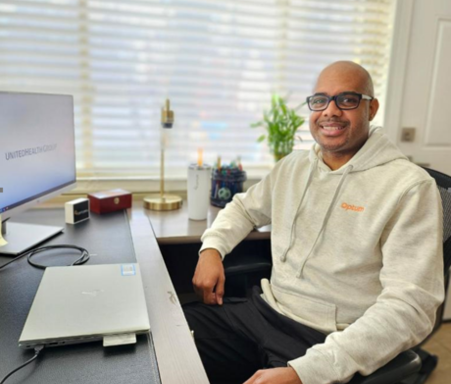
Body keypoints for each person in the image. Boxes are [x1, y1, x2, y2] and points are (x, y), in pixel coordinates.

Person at [183, 61, 444, 384]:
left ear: (371, 108)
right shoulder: (293, 166)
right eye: (320, 100)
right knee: (166, 343)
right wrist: (211, 249)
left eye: (346, 99)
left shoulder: (409, 187)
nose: (329, 111)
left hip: (327, 340)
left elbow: (411, 308)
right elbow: (244, 208)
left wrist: (304, 372)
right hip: (263, 312)